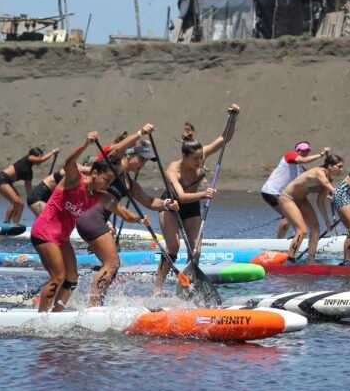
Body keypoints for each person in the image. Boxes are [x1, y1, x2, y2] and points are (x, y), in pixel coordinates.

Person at [30, 131, 147, 313]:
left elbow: (122, 211)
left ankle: (56, 314)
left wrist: (139, 219)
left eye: (111, 182)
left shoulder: (99, 196)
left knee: (72, 280)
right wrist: (86, 144)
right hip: (44, 232)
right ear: (94, 172)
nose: (107, 185)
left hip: (61, 239)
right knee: (58, 276)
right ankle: (41, 318)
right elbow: (69, 162)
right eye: (106, 180)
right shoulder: (74, 180)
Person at [76, 138, 179, 306]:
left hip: (95, 220)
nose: (143, 164)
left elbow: (149, 202)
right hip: (92, 218)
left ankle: (96, 304)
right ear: (129, 154)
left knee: (112, 266)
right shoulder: (113, 166)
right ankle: (93, 307)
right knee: (112, 264)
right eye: (141, 158)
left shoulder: (130, 184)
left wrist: (167, 204)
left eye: (146, 160)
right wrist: (140, 134)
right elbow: (117, 149)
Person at [153, 105, 239, 296]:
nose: (200, 162)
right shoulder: (173, 170)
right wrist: (204, 194)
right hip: (171, 206)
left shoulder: (201, 154)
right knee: (173, 247)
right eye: (195, 159)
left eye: (201, 157)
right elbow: (181, 196)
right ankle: (157, 287)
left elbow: (225, 138)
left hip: (191, 208)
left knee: (196, 251)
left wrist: (232, 117)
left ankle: (187, 286)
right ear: (184, 156)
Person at [279, 155, 345, 263]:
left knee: (315, 228)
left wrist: (327, 220)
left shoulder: (329, 178)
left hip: (301, 200)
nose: (341, 170)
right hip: (288, 198)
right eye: (339, 166)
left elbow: (320, 201)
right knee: (302, 230)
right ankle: (290, 260)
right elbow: (330, 187)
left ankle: (311, 260)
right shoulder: (319, 172)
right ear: (329, 166)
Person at [261, 141, 331, 238]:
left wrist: (326, 187)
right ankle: (279, 243)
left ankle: (295, 239)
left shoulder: (301, 169)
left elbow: (312, 181)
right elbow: (304, 160)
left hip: (283, 195)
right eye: (303, 151)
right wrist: (321, 154)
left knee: (293, 216)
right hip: (271, 191)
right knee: (289, 216)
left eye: (307, 151)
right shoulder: (289, 155)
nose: (305, 153)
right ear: (297, 150)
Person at [0, 146, 60, 224]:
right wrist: (53, 151)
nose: (40, 161)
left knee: (21, 204)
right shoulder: (27, 158)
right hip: (1, 179)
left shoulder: (29, 173)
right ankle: (6, 222)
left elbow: (29, 192)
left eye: (41, 157)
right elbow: (42, 159)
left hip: (7, 182)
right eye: (39, 157)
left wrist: (34, 202)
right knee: (16, 201)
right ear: (32, 156)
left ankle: (15, 225)